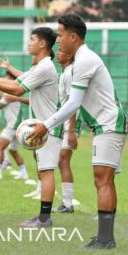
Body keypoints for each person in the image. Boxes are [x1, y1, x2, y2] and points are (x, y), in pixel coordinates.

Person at [29, 13, 128, 248]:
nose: (58, 40)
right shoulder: (79, 61)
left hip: (109, 123)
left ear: (73, 36)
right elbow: (71, 104)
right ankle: (106, 237)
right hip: (104, 125)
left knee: (102, 180)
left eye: (61, 35)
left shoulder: (85, 60)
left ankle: (105, 238)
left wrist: (46, 124)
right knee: (105, 180)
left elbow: (73, 104)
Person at [0, 27, 62, 227]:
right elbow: (16, 82)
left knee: (47, 171)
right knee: (43, 170)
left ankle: (45, 218)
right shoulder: (39, 66)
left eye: (32, 39)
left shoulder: (45, 67)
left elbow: (16, 89)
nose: (28, 43)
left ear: (42, 44)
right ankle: (42, 216)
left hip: (49, 127)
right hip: (43, 126)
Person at [0, 71, 29, 180]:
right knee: (12, 150)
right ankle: (24, 173)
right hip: (17, 125)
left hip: (13, 125)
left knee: (0, 147)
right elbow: (1, 99)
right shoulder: (13, 92)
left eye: (7, 78)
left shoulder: (11, 93)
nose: (4, 80)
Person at [52, 50, 81, 213]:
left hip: (70, 123)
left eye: (61, 51)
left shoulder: (70, 72)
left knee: (63, 160)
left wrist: (71, 131)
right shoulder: (63, 73)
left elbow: (73, 102)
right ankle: (66, 203)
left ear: (69, 55)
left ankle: (68, 204)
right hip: (63, 123)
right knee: (61, 161)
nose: (57, 53)